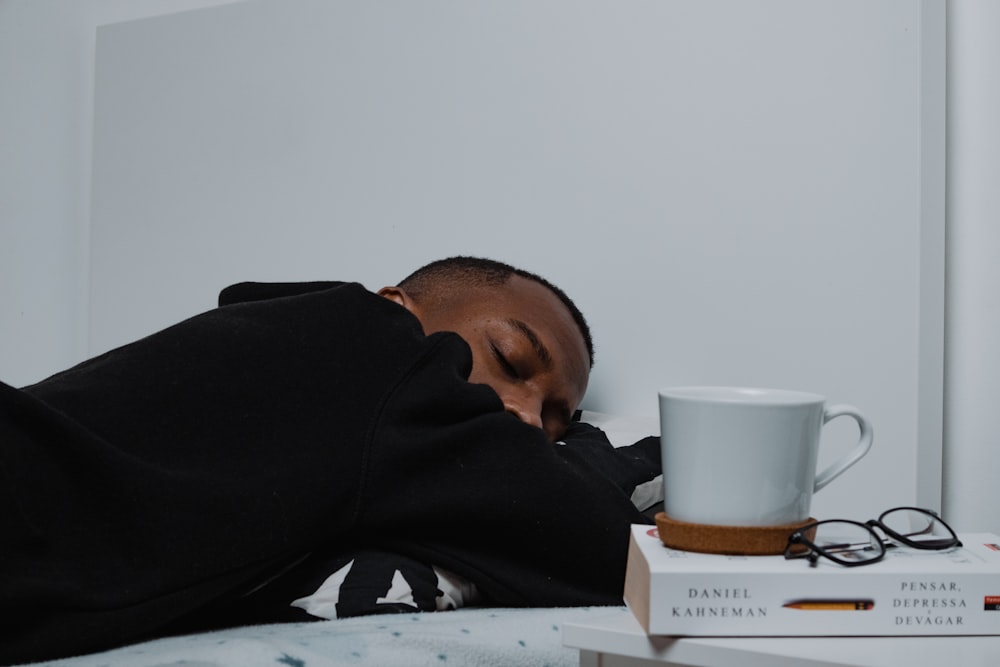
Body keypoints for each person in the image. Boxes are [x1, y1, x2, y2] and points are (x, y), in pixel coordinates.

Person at [0, 256, 659, 664]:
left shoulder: (290, 402)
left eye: (554, 422)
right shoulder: (374, 343)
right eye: (511, 359)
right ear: (395, 303)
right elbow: (601, 544)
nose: (523, 415)